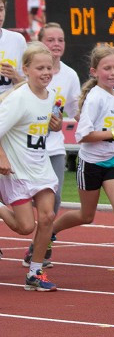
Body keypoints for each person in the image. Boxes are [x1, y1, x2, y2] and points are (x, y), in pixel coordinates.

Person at [50, 44, 114, 282]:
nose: (113, 73)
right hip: (91, 164)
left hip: (112, 160)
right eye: (107, 68)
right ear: (95, 72)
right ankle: (49, 232)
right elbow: (82, 136)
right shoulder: (95, 98)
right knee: (86, 215)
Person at [0, 43, 63, 291]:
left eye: (49, 67)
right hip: (18, 171)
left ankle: (35, 273)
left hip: (40, 166)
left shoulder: (51, 95)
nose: (46, 72)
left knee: (47, 216)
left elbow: (36, 128)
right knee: (26, 227)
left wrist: (53, 126)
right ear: (26, 69)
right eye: (40, 68)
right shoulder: (18, 99)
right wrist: (1, 157)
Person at [20, 23, 80, 268]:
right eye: (51, 40)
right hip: (24, 147)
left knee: (52, 203)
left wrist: (59, 122)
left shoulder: (70, 75)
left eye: (61, 40)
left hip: (53, 146)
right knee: (20, 209)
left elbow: (74, 112)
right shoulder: (26, 77)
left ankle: (38, 250)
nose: (56, 44)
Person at [0, 0, 27, 96]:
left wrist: (15, 76)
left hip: (11, 107)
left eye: (1, 9)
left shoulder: (17, 40)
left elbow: (29, 86)